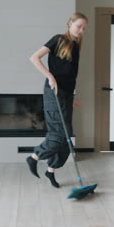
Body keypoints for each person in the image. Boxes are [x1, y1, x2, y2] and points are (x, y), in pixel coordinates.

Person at [26, 12, 88, 188]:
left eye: (84, 28)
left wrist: (72, 96)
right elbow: (34, 57)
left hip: (66, 95)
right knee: (58, 134)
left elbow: (71, 74)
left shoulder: (75, 45)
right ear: (70, 23)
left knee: (67, 136)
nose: (81, 30)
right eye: (79, 26)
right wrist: (50, 76)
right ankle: (34, 157)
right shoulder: (58, 39)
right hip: (53, 92)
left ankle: (51, 170)